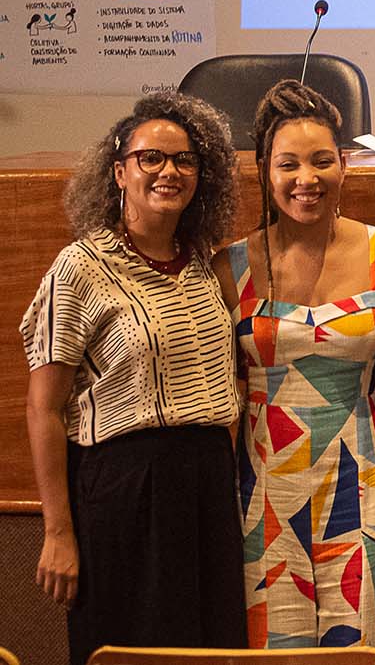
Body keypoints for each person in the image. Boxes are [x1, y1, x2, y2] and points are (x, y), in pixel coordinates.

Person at [21, 91, 247, 665]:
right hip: (122, 491)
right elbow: (43, 409)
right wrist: (57, 531)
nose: (169, 171)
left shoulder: (202, 260)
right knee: (131, 650)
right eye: (151, 158)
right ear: (119, 170)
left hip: (206, 484)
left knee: (211, 647)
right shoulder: (81, 267)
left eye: (185, 160)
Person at [220, 79, 375, 648]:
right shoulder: (230, 265)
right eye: (289, 165)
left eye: (322, 161)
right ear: (265, 173)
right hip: (264, 482)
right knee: (274, 644)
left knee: (363, 641)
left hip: (361, 476)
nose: (307, 180)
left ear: (345, 165)